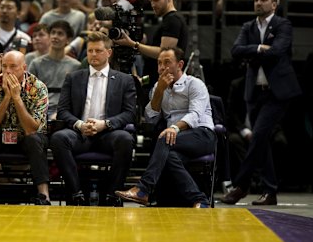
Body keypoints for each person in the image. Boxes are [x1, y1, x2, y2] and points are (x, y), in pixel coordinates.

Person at [221, 0, 302, 206]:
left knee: (258, 135)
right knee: (261, 140)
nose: (258, 2)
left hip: (277, 92)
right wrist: (257, 47)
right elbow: (235, 51)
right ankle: (270, 191)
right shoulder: (248, 27)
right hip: (254, 91)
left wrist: (253, 53)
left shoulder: (283, 25)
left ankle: (241, 185)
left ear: (274, 5)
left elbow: (278, 51)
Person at [116, 47, 216, 208]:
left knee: (164, 138)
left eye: (167, 62)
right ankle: (200, 200)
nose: (162, 67)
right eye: (159, 63)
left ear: (180, 64)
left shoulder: (195, 84)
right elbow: (151, 118)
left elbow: (195, 114)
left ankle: (143, 189)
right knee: (170, 157)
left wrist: (174, 128)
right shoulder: (158, 86)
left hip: (202, 134)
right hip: (175, 139)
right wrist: (159, 92)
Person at [51, 32, 136, 205]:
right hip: (80, 133)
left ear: (109, 53)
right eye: (90, 51)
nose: (93, 54)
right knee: (59, 138)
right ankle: (76, 193)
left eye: (98, 50)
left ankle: (113, 195)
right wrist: (80, 125)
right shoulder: (73, 77)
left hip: (108, 133)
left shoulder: (124, 80)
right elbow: (63, 111)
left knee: (125, 139)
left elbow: (130, 113)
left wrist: (105, 124)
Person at [0, 50, 51, 205]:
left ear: (24, 67)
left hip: (27, 137)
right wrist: (7, 97)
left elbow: (32, 129)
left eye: (13, 67)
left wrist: (16, 98)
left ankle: (43, 195)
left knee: (34, 139)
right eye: (4, 66)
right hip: (0, 135)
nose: (8, 71)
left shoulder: (38, 87)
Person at [29, 20, 81, 117]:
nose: (55, 36)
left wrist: (61, 112)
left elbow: (76, 97)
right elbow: (29, 92)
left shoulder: (76, 66)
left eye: (60, 34)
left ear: (68, 40)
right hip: (39, 109)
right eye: (53, 33)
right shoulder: (36, 63)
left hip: (64, 111)